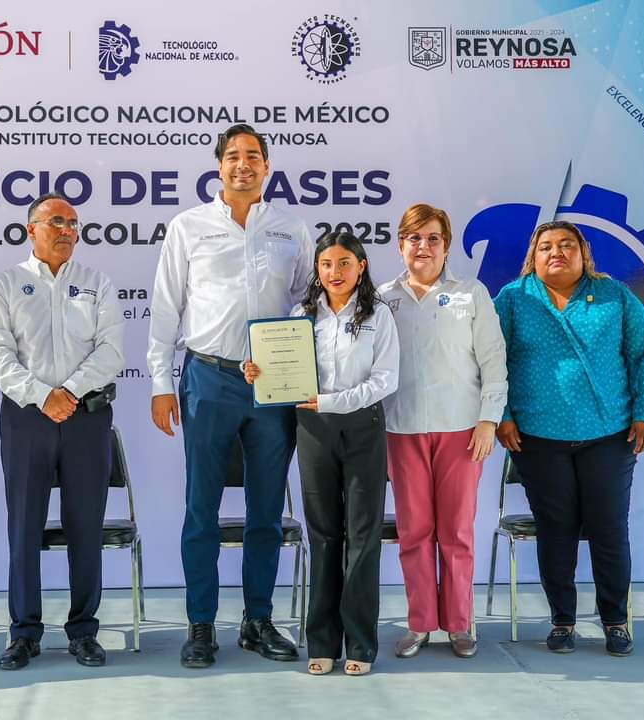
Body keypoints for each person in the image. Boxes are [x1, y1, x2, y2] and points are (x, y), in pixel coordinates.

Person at [149, 124, 314, 668]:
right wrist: (159, 384)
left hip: (273, 385)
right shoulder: (189, 226)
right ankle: (200, 625)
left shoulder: (292, 228)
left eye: (254, 156)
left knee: (267, 509)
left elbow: (307, 303)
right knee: (202, 508)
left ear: (268, 167)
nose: (243, 164)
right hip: (208, 379)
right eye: (233, 156)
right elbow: (167, 309)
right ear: (218, 165)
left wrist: (287, 348)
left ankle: (257, 620)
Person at [494, 220, 644, 657]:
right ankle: (562, 621)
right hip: (537, 436)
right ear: (533, 257)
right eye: (546, 246)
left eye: (566, 245)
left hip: (608, 435)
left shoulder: (614, 296)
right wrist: (503, 415)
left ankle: (615, 620)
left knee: (609, 529)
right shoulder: (514, 299)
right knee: (557, 530)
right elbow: (491, 361)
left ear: (584, 253)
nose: (557, 252)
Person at [0, 193, 125, 670]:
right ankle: (24, 632)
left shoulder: (96, 283)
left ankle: (84, 630)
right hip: (26, 419)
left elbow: (111, 352)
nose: (67, 231)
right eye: (56, 222)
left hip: (86, 418)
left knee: (86, 527)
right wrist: (43, 395)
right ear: (31, 229)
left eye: (74, 224)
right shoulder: (7, 284)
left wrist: (71, 392)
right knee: (24, 527)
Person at [246, 231, 398, 676]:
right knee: (325, 536)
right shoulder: (300, 316)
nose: (335, 272)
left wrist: (332, 402)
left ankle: (362, 646)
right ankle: (323, 642)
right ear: (318, 270)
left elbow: (385, 380)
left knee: (363, 537)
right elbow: (279, 373)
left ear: (362, 267)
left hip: (363, 426)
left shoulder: (378, 315)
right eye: (327, 264)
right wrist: (256, 369)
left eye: (345, 263)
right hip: (313, 430)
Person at [378, 204, 507, 659]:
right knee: (414, 531)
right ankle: (419, 623)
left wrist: (489, 419)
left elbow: (493, 360)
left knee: (456, 531)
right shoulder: (382, 297)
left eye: (433, 238)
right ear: (401, 245)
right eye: (414, 238)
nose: (424, 247)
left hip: (461, 430)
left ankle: (458, 623)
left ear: (446, 245)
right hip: (402, 427)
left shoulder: (472, 293)